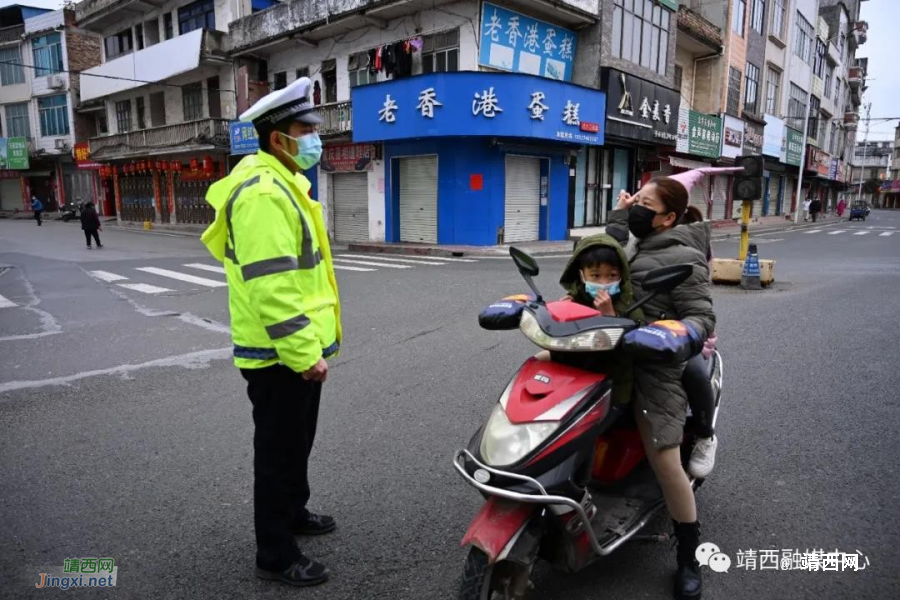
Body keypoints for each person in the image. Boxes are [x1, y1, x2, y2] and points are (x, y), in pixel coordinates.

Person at [200, 77, 342, 588]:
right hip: (280, 354)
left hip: (294, 349)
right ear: (276, 137)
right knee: (279, 451)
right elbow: (273, 286)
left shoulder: (284, 183)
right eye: (305, 129)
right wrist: (304, 352)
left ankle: (295, 512)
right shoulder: (263, 193)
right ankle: (276, 554)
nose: (314, 138)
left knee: (296, 444)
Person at [607, 168, 725, 600]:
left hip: (654, 362)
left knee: (666, 459)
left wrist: (674, 334)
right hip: (607, 349)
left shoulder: (684, 256)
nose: (636, 207)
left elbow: (701, 315)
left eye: (645, 206)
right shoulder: (633, 241)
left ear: (668, 218)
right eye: (635, 200)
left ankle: (689, 555)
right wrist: (620, 218)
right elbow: (600, 263)